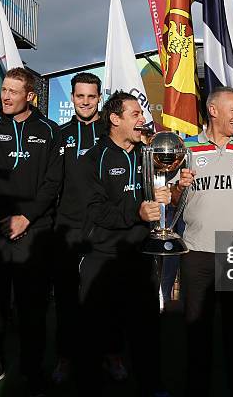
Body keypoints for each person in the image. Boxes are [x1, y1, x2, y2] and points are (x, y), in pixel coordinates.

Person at [172, 86, 233, 396]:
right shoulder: (187, 147)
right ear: (214, 111)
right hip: (197, 251)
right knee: (197, 329)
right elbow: (174, 197)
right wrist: (179, 187)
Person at [0, 67, 63, 397]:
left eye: (13, 91)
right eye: (4, 90)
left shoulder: (50, 132)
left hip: (35, 236)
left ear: (30, 95)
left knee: (33, 309)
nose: (6, 96)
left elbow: (53, 183)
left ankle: (32, 370)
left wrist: (26, 217)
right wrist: (4, 217)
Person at [77, 91, 167, 397]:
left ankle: (152, 386)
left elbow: (158, 195)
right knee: (95, 332)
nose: (142, 119)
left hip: (141, 255)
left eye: (140, 113)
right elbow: (93, 211)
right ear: (115, 119)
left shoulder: (147, 154)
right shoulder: (93, 159)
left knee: (146, 330)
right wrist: (136, 212)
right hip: (103, 257)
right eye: (135, 114)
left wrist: (169, 190)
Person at [52, 72, 117, 384]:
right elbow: (52, 183)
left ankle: (110, 353)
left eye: (92, 97)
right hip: (69, 228)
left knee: (106, 296)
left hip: (105, 229)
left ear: (99, 98)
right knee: (66, 298)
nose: (86, 102)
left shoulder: (112, 135)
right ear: (73, 98)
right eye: (80, 96)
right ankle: (65, 357)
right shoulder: (59, 134)